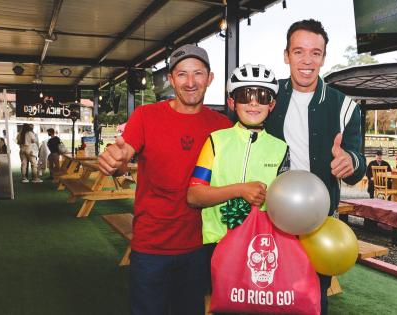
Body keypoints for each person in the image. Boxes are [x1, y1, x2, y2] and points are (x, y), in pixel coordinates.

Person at [97, 44, 232, 315]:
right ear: (171, 79)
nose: (190, 82)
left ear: (210, 78)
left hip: (199, 247)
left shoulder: (223, 126)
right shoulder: (146, 116)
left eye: (198, 74)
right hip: (151, 246)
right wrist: (115, 160)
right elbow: (124, 155)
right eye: (182, 74)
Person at [264, 19, 366, 315]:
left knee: (312, 299)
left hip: (319, 224)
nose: (307, 61)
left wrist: (349, 161)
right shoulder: (267, 97)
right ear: (286, 55)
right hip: (270, 218)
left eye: (315, 53)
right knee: (267, 295)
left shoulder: (345, 106)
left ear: (323, 57)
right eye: (298, 52)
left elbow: (359, 163)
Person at [187, 64, 289, 296]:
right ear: (232, 103)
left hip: (261, 249)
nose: (253, 103)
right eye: (245, 96)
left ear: (271, 105)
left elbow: (284, 208)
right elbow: (194, 195)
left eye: (262, 96)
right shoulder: (215, 141)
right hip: (215, 243)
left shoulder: (281, 149)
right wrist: (240, 190)